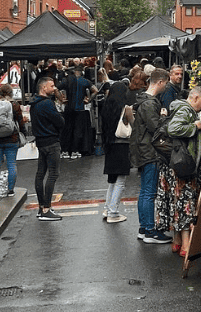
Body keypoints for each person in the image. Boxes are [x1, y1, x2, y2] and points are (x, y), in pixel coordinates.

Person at [156, 85, 201, 256]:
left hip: (174, 163)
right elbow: (173, 129)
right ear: (195, 98)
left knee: (177, 202)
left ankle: (176, 241)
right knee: (184, 202)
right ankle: (185, 245)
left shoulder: (179, 108)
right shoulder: (186, 110)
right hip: (182, 164)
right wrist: (195, 128)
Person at [131, 67, 171, 244]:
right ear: (160, 82)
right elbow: (156, 129)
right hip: (150, 151)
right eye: (166, 83)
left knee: (145, 191)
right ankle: (149, 230)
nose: (166, 87)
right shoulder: (149, 103)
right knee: (149, 192)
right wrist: (163, 118)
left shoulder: (143, 100)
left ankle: (143, 228)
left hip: (143, 150)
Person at [29, 75, 65, 221]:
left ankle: (41, 207)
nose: (54, 88)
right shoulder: (47, 104)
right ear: (44, 87)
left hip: (40, 142)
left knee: (40, 174)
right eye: (52, 86)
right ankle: (46, 209)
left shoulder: (34, 104)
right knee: (53, 174)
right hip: (51, 141)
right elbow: (60, 122)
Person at [100, 80, 134, 223]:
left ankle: (108, 208)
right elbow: (133, 123)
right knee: (121, 180)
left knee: (112, 180)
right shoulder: (125, 108)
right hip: (122, 145)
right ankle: (113, 212)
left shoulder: (106, 106)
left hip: (109, 145)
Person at [0, 84, 26, 198]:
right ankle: (10, 190)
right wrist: (23, 133)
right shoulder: (14, 105)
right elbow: (20, 121)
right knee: (11, 164)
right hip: (11, 137)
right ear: (11, 93)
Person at [60, 65, 95, 158]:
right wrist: (89, 99)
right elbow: (95, 90)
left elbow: (56, 88)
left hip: (68, 108)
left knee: (67, 129)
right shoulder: (85, 81)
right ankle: (75, 151)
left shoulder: (67, 80)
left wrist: (61, 99)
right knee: (77, 131)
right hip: (80, 109)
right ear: (81, 72)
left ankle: (65, 151)